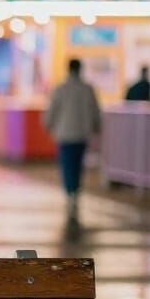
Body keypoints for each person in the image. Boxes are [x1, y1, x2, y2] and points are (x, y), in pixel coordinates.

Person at [44, 58, 101, 221]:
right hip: (82, 134)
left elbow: (52, 110)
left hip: (65, 134)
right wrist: (96, 128)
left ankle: (70, 192)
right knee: (78, 164)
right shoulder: (87, 89)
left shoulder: (61, 89)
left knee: (67, 164)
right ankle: (75, 191)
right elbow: (95, 111)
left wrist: (48, 125)